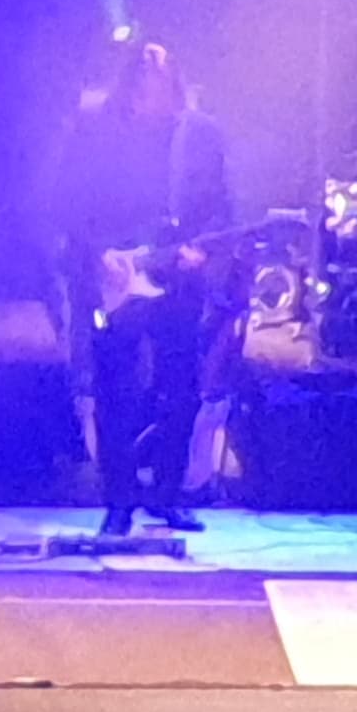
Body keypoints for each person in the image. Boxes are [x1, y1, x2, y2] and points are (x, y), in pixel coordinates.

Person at [51, 37, 233, 534]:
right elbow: (66, 201)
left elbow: (219, 204)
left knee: (180, 386)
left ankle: (168, 494)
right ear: (129, 89)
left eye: (163, 87)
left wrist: (201, 248)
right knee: (117, 389)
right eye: (146, 88)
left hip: (176, 275)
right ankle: (119, 500)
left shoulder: (199, 134)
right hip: (113, 275)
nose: (155, 99)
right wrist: (99, 253)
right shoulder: (95, 130)